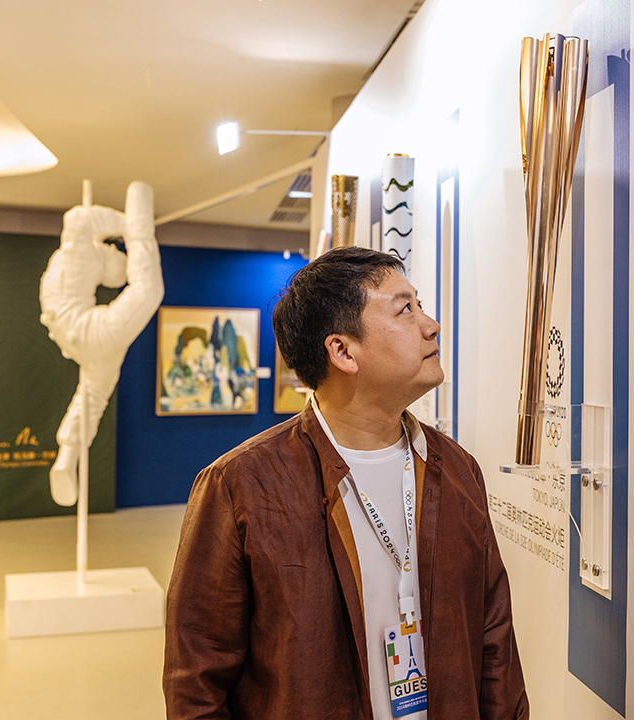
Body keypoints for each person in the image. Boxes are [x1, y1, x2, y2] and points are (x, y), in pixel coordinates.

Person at [164, 247, 528, 720]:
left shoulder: (457, 469)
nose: (432, 325)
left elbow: (494, 639)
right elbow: (198, 679)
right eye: (405, 309)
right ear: (342, 351)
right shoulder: (241, 485)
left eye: (419, 305)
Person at [39, 181, 164, 506]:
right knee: (148, 289)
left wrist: (125, 227)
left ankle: (67, 457)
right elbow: (78, 218)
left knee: (92, 395)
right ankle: (67, 455)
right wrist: (134, 225)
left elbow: (81, 221)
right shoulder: (78, 248)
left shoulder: (67, 258)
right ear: (104, 251)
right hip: (87, 329)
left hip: (77, 335)